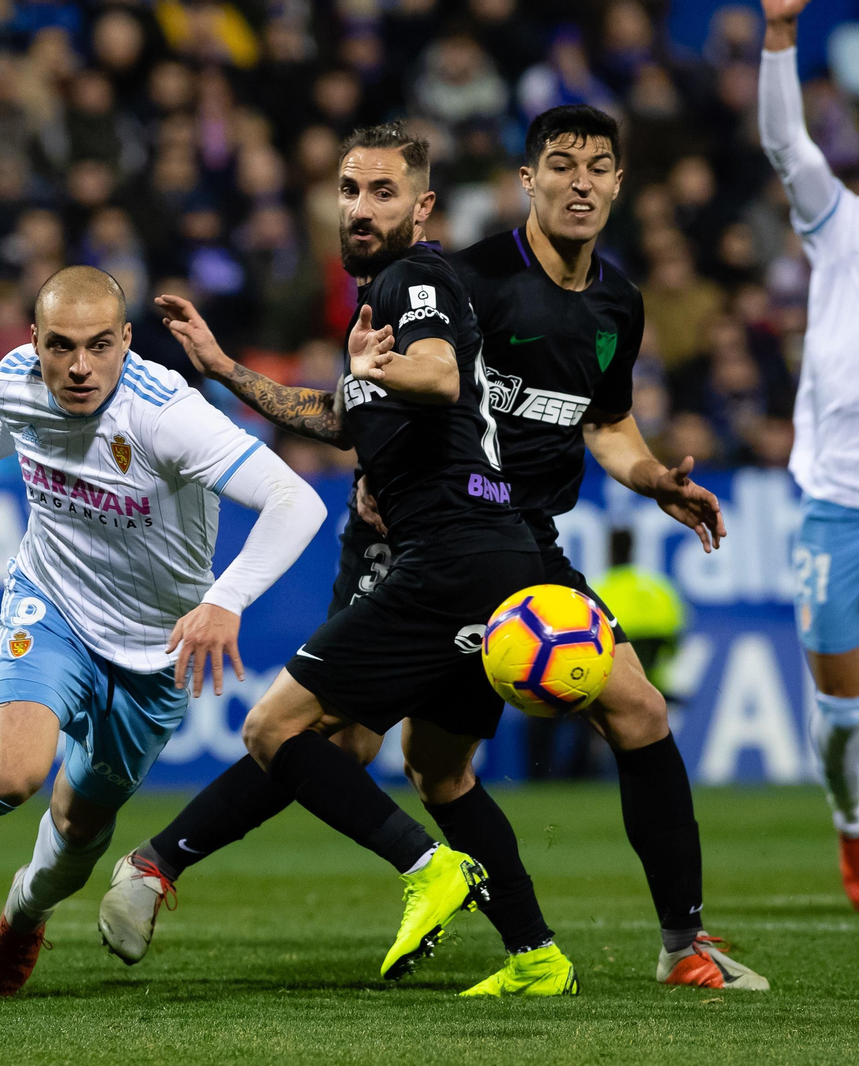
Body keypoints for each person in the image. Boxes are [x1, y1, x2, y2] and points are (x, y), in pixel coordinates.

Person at [101, 108, 770, 991]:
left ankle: (680, 945)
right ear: (526, 180)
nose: (580, 182)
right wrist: (335, 416)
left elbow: (604, 424)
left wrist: (653, 479)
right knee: (387, 753)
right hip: (427, 531)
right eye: (560, 165)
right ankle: (529, 950)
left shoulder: (617, 304)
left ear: (618, 183)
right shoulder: (465, 278)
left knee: (622, 713)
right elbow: (389, 399)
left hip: (502, 539)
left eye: (598, 168)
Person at [107, 122, 580, 995]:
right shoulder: (382, 305)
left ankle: (426, 870)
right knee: (438, 770)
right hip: (498, 561)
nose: (362, 209)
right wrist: (222, 369)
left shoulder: (416, 277)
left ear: (423, 206)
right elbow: (334, 414)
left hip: (446, 559)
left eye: (384, 192)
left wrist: (380, 370)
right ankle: (537, 957)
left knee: (274, 728)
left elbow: (436, 376)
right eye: (350, 191)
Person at [0, 266, 327, 997]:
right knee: (12, 770)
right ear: (33, 341)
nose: (79, 367)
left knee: (78, 821)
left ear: (127, 342)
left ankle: (23, 914)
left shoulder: (167, 415)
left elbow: (297, 502)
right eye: (61, 346)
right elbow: (2, 420)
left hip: (153, 651)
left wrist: (225, 599)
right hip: (53, 606)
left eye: (100, 346)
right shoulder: (18, 380)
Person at [761, 0, 859, 913]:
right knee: (844, 719)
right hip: (838, 505)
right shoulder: (843, 226)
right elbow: (789, 148)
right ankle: (852, 826)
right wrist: (782, 38)